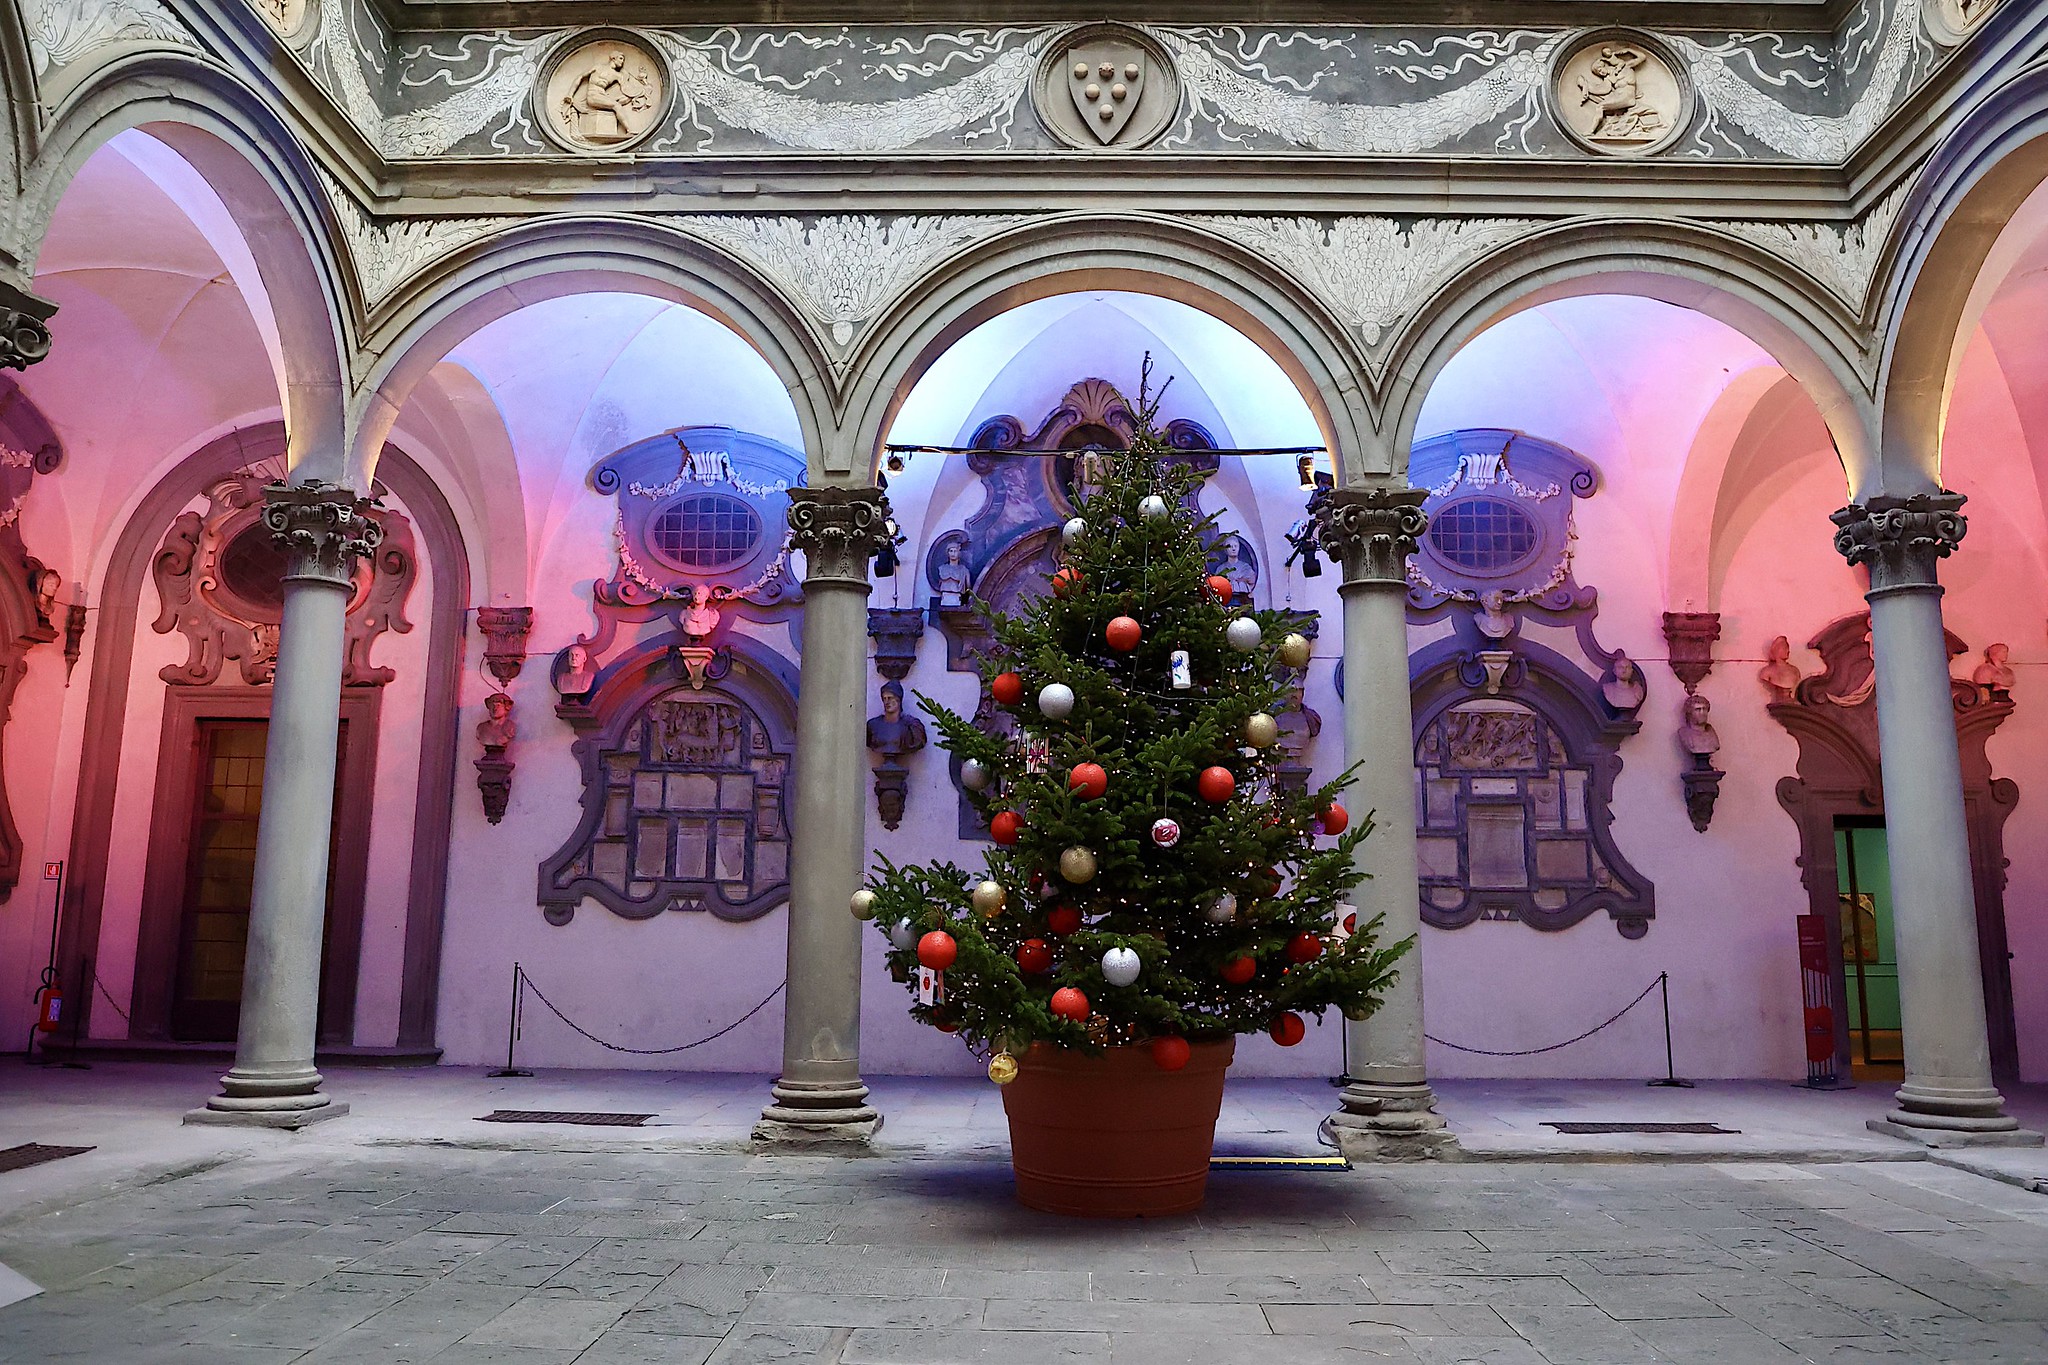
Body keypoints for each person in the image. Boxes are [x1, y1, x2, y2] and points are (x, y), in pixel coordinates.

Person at [866, 681, 927, 760]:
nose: (887, 702)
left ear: (898, 700)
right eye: (884, 699)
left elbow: (919, 741)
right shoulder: (873, 725)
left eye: (890, 698)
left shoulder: (911, 726)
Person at [1677, 693, 1719, 760]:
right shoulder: (1684, 733)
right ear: (1689, 713)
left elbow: (1716, 746)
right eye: (1698, 709)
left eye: (1704, 709)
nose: (1702, 713)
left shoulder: (1712, 735)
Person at [1758, 635, 1801, 701]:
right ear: (1777, 650)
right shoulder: (1766, 672)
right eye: (1785, 648)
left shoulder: (1795, 671)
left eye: (1788, 648)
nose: (1788, 651)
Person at [934, 538, 972, 609]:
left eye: (955, 551)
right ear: (948, 553)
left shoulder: (964, 570)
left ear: (958, 553)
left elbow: (968, 586)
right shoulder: (942, 568)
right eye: (951, 551)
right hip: (945, 597)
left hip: (957, 598)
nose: (953, 553)